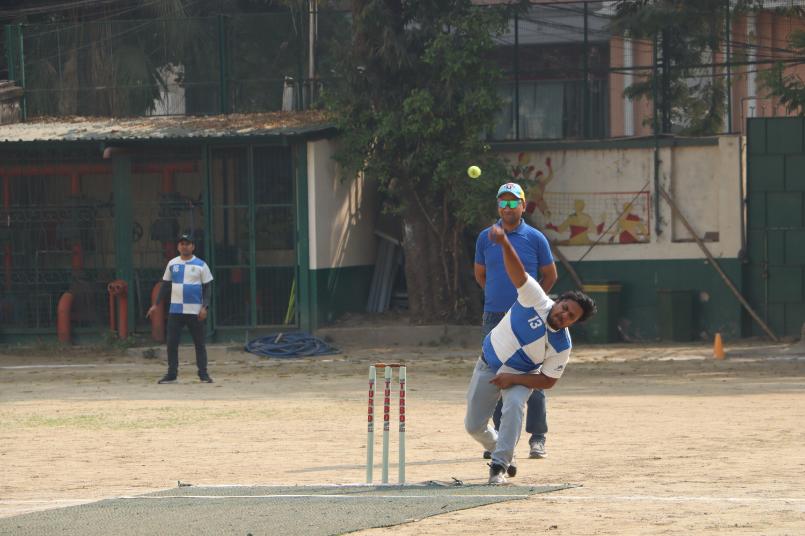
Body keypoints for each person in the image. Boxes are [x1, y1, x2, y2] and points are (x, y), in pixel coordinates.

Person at [465, 224, 596, 484]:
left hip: (521, 375)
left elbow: (548, 380)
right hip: (488, 364)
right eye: (564, 307)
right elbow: (518, 273)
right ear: (558, 301)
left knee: (514, 405)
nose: (564, 315)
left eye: (571, 316)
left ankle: (499, 466)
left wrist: (513, 379)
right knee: (473, 426)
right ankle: (502, 449)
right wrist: (504, 243)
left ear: (573, 323)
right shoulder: (535, 299)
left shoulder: (562, 345)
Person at [474, 182, 557, 461]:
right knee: (497, 374)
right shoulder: (486, 237)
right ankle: (500, 439)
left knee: (531, 374)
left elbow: (550, 275)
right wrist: (495, 297)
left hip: (527, 318)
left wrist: (535, 303)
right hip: (495, 316)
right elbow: (480, 274)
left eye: (513, 202)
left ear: (523, 206)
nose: (508, 208)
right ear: (498, 206)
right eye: (503, 202)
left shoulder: (535, 238)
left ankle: (537, 436)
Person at [147, 232, 214, 384]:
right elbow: (165, 285)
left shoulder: (201, 265)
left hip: (194, 311)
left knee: (199, 343)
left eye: (187, 244)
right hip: (175, 311)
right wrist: (156, 304)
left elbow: (207, 288)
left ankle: (203, 374)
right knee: (172, 343)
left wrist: (205, 307)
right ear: (178, 247)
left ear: (193, 246)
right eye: (182, 244)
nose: (184, 246)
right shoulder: (172, 264)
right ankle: (172, 374)